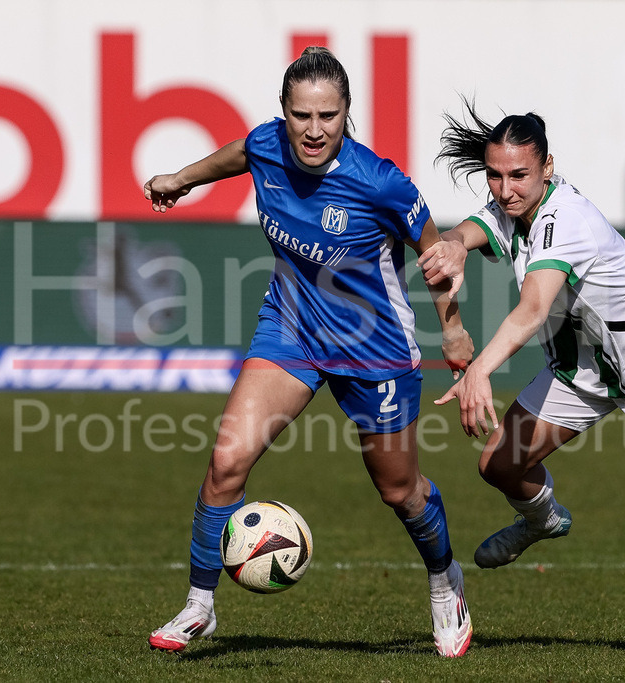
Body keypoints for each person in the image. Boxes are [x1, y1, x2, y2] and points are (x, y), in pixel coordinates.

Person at [142, 48, 474, 657]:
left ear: (348, 113)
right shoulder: (267, 146)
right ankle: (199, 605)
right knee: (226, 463)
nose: (314, 130)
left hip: (376, 348)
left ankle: (444, 582)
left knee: (400, 491)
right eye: (301, 115)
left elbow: (438, 258)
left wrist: (452, 331)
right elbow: (242, 153)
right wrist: (182, 180)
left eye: (329, 115)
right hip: (291, 330)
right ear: (283, 114)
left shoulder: (380, 182)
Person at [418, 101, 625, 653]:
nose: (504, 188)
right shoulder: (512, 207)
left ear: (547, 168)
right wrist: (450, 244)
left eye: (518, 174)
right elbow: (472, 228)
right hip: (584, 372)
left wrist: (478, 374)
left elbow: (533, 308)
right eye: (494, 175)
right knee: (499, 463)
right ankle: (542, 519)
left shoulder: (567, 221)